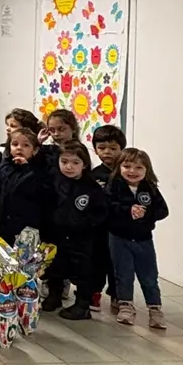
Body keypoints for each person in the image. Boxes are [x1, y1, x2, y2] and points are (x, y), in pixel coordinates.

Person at [44, 142, 109, 320]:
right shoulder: (53, 181)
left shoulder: (91, 187)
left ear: (84, 164)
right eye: (64, 162)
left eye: (75, 162)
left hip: (81, 239)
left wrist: (84, 225)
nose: (69, 167)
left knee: (82, 271)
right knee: (54, 267)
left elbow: (99, 213)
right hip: (56, 235)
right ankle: (54, 295)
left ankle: (82, 304)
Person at [107, 148, 169, 328]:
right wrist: (128, 210)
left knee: (149, 275)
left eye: (138, 168)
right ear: (119, 167)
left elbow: (163, 210)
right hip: (119, 238)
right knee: (123, 273)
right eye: (127, 166)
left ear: (146, 170)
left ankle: (155, 309)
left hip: (143, 239)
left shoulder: (149, 188)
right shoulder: (114, 187)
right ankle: (125, 305)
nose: (132, 171)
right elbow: (107, 207)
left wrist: (146, 213)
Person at [0, 127, 51, 245]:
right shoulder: (5, 167)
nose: (19, 148)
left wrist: (26, 168)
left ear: (35, 150)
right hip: (3, 223)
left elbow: (39, 192)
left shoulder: (39, 170)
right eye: (15, 144)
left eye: (26, 145)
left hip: (26, 226)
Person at [89, 124, 125, 312]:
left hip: (120, 229)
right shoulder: (94, 175)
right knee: (97, 261)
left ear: (121, 148)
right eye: (102, 148)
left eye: (113, 148)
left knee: (117, 264)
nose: (107, 152)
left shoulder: (127, 173)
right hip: (98, 229)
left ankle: (118, 295)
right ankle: (94, 293)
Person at [0, 108, 42, 182]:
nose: (7, 128)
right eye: (7, 125)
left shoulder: (37, 151)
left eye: (13, 126)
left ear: (26, 129)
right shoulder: (2, 148)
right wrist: (6, 182)